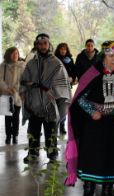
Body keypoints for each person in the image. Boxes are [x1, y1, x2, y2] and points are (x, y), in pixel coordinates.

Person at [64, 40, 114, 196]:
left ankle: (108, 190)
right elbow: (80, 98)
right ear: (103, 57)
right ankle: (88, 191)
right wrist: (92, 112)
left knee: (113, 155)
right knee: (92, 156)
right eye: (111, 55)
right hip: (94, 125)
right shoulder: (93, 73)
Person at [20, 33, 70, 163]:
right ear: (36, 45)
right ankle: (32, 153)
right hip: (34, 104)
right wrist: (24, 90)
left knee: (51, 132)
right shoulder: (30, 64)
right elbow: (24, 80)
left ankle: (52, 154)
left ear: (49, 44)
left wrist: (52, 91)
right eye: (40, 44)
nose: (42, 46)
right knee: (33, 131)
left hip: (50, 105)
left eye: (45, 43)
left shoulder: (57, 64)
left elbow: (63, 83)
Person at [0, 47, 25, 144]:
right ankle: (8, 136)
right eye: (13, 53)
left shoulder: (22, 65)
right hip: (5, 94)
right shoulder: (3, 66)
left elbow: (24, 80)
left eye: (16, 53)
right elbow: (0, 80)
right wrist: (7, 89)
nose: (15, 55)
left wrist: (16, 89)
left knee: (16, 116)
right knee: (7, 117)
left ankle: (15, 136)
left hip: (17, 94)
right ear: (8, 55)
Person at [54, 42, 76, 135]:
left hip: (66, 87)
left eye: (65, 49)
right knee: (56, 107)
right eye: (61, 49)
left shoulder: (69, 60)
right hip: (56, 87)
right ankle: (54, 125)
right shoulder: (54, 59)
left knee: (64, 107)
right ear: (58, 50)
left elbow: (74, 72)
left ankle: (62, 126)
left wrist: (72, 78)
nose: (63, 51)